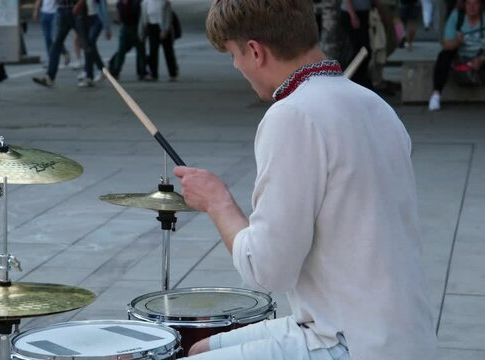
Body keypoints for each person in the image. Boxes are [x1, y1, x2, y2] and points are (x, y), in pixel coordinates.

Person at [173, 0, 437, 359]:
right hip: (394, 331)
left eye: (233, 55)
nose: (236, 66)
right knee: (200, 347)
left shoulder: (293, 115)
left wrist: (217, 202)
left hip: (352, 342)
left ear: (255, 51)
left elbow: (267, 270)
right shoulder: (373, 103)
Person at [429, 0, 485, 111]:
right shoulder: (457, 16)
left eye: (475, 4)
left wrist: (481, 59)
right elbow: (446, 44)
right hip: (460, 54)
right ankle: (436, 94)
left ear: (481, 5)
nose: (472, 7)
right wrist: (457, 41)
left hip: (481, 55)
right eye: (469, 4)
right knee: (443, 56)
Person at [33, 0, 86, 87]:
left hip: (75, 9)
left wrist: (79, 4)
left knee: (86, 43)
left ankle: (94, 72)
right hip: (62, 10)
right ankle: (50, 77)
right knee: (56, 44)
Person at [139, 0, 178, 81]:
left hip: (162, 27)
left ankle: (173, 73)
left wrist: (165, 30)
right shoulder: (145, 3)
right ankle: (154, 74)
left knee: (168, 51)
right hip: (151, 27)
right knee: (153, 51)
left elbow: (168, 17)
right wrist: (142, 33)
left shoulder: (164, 2)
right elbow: (143, 19)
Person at [108, 0, 147, 80]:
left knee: (140, 51)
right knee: (122, 51)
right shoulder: (120, 4)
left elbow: (141, 17)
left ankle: (142, 72)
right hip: (126, 28)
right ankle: (115, 71)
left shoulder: (136, 3)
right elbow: (120, 17)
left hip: (135, 28)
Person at [78, 0, 112, 87]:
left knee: (90, 44)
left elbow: (103, 9)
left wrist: (107, 28)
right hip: (85, 19)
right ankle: (100, 71)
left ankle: (90, 76)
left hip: (97, 19)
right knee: (89, 46)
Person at [340, 0, 373, 87]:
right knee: (358, 49)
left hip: (364, 12)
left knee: (365, 49)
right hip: (352, 13)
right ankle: (353, 80)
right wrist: (352, 15)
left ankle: (362, 78)